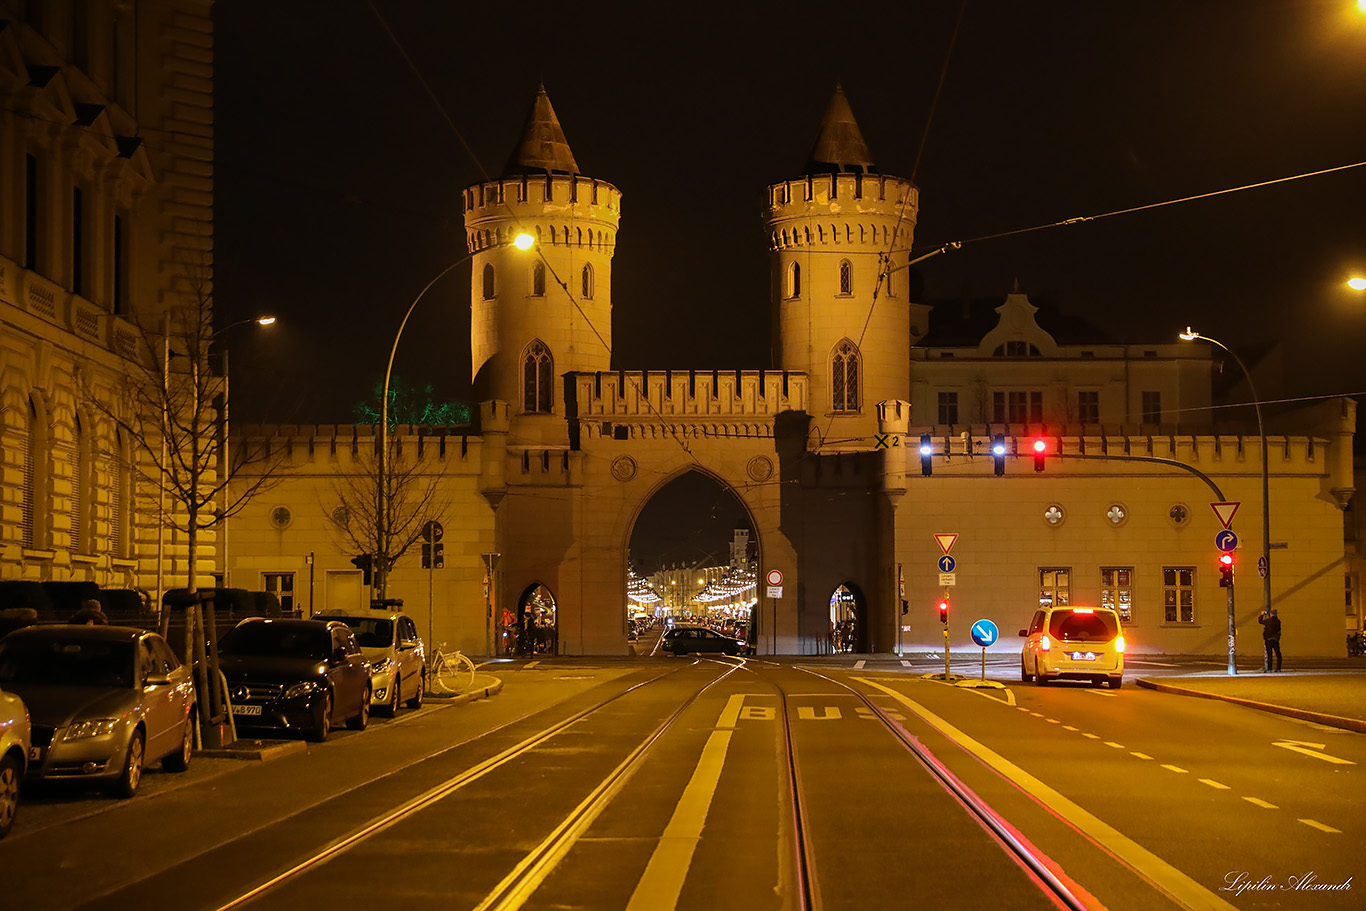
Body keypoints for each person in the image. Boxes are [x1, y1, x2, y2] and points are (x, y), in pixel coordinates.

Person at [1258, 607, 1282, 673]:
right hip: (1275, 640)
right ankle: (1278, 668)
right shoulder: (1278, 621)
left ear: (1271, 614)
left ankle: (1269, 668)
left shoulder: (1268, 621)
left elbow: (1260, 621)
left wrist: (1262, 615)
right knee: (1278, 654)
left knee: (1269, 654)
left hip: (1268, 639)